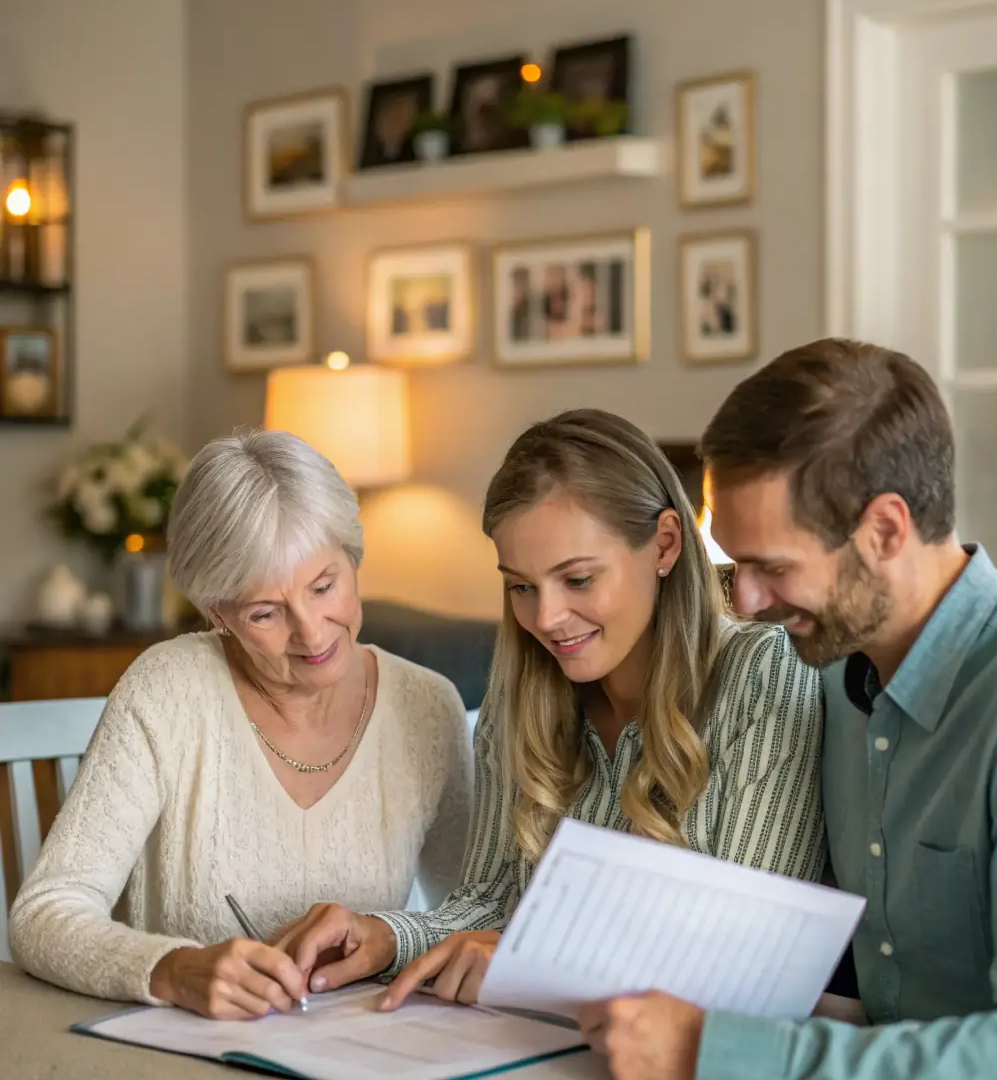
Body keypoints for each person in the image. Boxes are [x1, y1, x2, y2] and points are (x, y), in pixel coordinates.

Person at [578, 340, 997, 1080]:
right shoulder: (834, 682)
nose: (744, 599)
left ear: (887, 529)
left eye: (771, 566)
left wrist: (720, 1055)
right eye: (731, 562)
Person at [274, 409, 824, 1008]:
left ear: (665, 544)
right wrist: (385, 935)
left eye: (579, 579)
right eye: (521, 586)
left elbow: (753, 951)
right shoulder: (522, 695)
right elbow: (488, 901)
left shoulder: (764, 674)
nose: (546, 619)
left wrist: (525, 960)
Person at [10, 431, 472, 1019]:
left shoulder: (428, 707)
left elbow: (476, 914)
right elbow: (45, 911)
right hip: (187, 1065)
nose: (311, 633)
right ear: (217, 612)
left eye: (324, 586)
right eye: (264, 613)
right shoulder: (167, 692)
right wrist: (170, 969)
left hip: (363, 1058)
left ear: (353, 554)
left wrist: (387, 933)